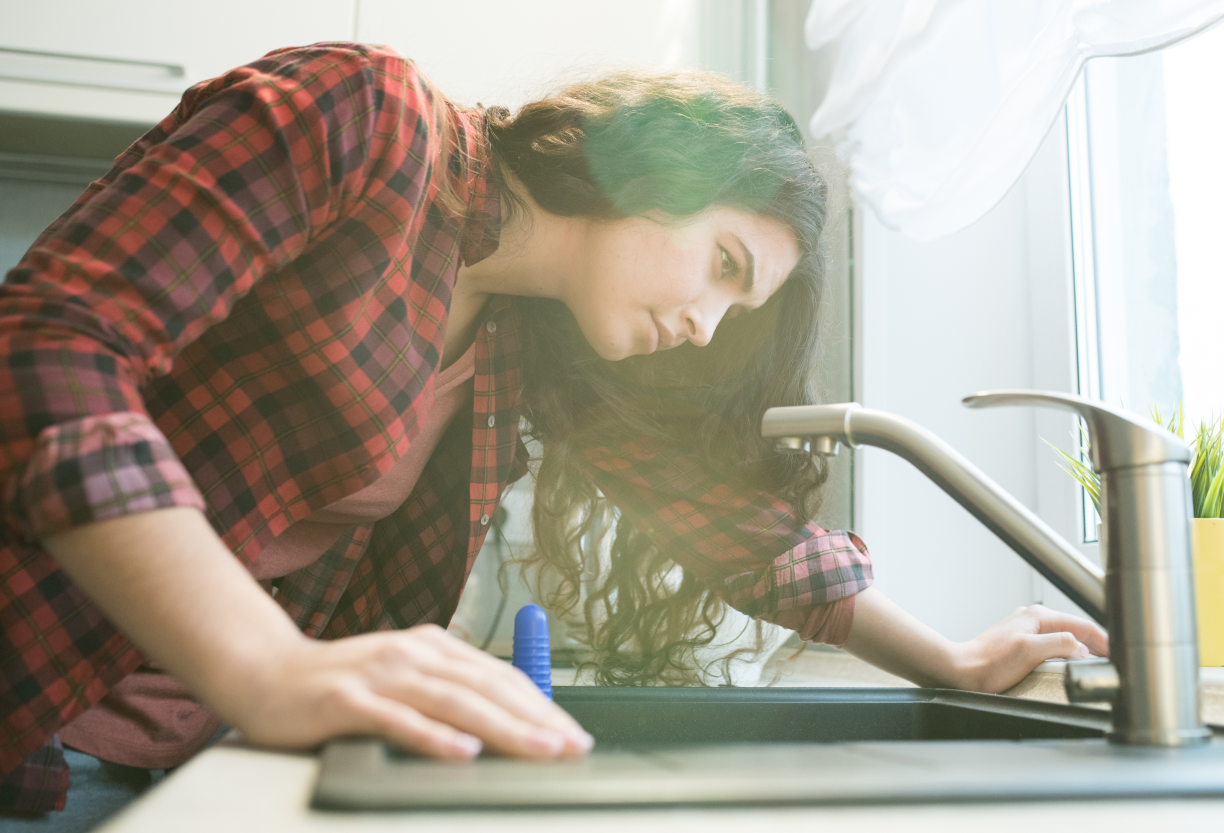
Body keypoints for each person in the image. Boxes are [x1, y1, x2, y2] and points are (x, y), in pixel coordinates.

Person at [0, 41, 1107, 820]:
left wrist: (949, 659)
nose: (704, 324)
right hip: (30, 722)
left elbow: (735, 528)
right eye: (723, 265)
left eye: (738, 311)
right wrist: (268, 666)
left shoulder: (529, 343)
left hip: (193, 757)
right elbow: (49, 345)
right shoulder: (362, 116)